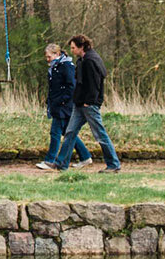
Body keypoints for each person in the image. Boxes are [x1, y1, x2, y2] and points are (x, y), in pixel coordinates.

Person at [46, 34, 121, 173]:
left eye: (74, 48)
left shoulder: (91, 61)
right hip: (79, 104)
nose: (72, 50)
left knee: (100, 134)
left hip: (88, 105)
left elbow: (95, 83)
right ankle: (61, 163)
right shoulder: (82, 60)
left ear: (81, 47)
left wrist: (89, 101)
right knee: (70, 132)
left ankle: (113, 164)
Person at [35, 42, 91, 171]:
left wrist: (62, 101)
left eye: (49, 57)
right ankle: (85, 156)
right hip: (57, 104)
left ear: (57, 54)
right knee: (68, 133)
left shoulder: (66, 66)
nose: (47, 60)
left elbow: (71, 85)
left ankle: (50, 160)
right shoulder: (55, 67)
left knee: (55, 132)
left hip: (64, 105)